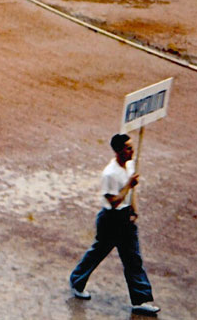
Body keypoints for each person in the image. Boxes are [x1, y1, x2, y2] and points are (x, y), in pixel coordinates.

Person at [69, 133, 160, 315]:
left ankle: (140, 299)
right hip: (111, 219)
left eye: (132, 146)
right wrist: (128, 184)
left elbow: (131, 194)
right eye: (128, 148)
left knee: (133, 259)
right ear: (118, 151)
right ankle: (77, 280)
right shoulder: (109, 174)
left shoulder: (131, 164)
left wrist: (134, 209)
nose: (132, 150)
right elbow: (113, 201)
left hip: (125, 217)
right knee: (98, 252)